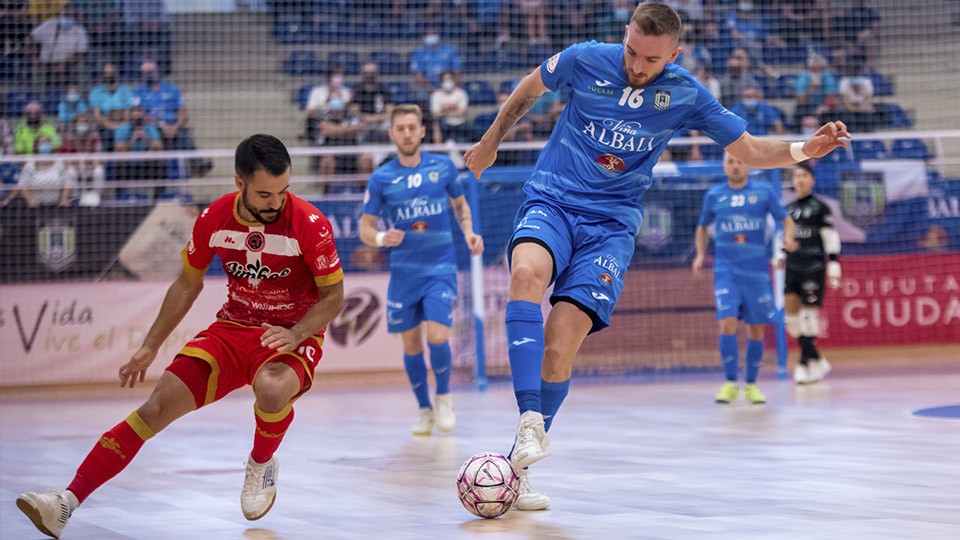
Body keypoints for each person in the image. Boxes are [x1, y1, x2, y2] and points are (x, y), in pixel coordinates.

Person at [463, 2, 850, 510]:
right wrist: (492, 140)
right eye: (631, 51)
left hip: (612, 224)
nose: (636, 66)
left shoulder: (685, 92)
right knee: (526, 274)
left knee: (562, 343)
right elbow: (528, 90)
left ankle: (517, 467)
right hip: (553, 198)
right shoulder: (584, 58)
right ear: (624, 36)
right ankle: (530, 420)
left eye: (650, 59)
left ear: (674, 54)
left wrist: (805, 149)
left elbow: (752, 150)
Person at [15, 134, 345, 539]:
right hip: (232, 328)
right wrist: (150, 345)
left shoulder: (310, 223)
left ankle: (261, 464)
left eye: (282, 192)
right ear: (239, 182)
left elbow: (334, 296)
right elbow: (187, 284)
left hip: (290, 333)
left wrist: (297, 332)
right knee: (154, 408)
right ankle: (65, 503)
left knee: (273, 391)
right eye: (264, 194)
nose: (275, 203)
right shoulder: (213, 219)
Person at [359, 104, 483, 436]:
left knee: (438, 335)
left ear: (423, 130)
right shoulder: (381, 177)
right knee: (411, 346)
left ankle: (444, 397)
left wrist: (469, 231)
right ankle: (424, 409)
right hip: (404, 275)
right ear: (392, 134)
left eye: (413, 127)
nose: (408, 133)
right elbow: (365, 229)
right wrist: (384, 237)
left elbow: (460, 205)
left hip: (440, 268)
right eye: (401, 128)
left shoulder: (443, 167)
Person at [692, 152, 797, 404]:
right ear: (723, 166)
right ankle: (730, 383)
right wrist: (699, 254)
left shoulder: (763, 192)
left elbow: (786, 219)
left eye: (739, 161)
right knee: (727, 322)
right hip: (726, 272)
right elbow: (702, 226)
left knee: (756, 328)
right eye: (730, 162)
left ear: (748, 165)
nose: (735, 166)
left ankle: (751, 384)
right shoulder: (715, 195)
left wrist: (788, 238)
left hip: (756, 273)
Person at [784, 161, 840, 384]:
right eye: (796, 176)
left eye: (804, 175)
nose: (799, 179)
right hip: (792, 266)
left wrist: (834, 264)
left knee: (808, 317)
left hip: (814, 266)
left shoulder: (820, 207)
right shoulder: (787, 210)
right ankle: (817, 360)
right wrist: (781, 253)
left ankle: (804, 363)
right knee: (791, 320)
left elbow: (830, 238)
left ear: (812, 180)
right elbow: (785, 239)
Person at [1, 136, 76, 208]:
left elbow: (67, 183)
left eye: (48, 142)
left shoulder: (59, 162)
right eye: (42, 142)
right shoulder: (30, 164)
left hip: (56, 204)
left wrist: (64, 198)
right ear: (36, 146)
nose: (46, 144)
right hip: (36, 206)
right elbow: (23, 185)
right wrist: (30, 201)